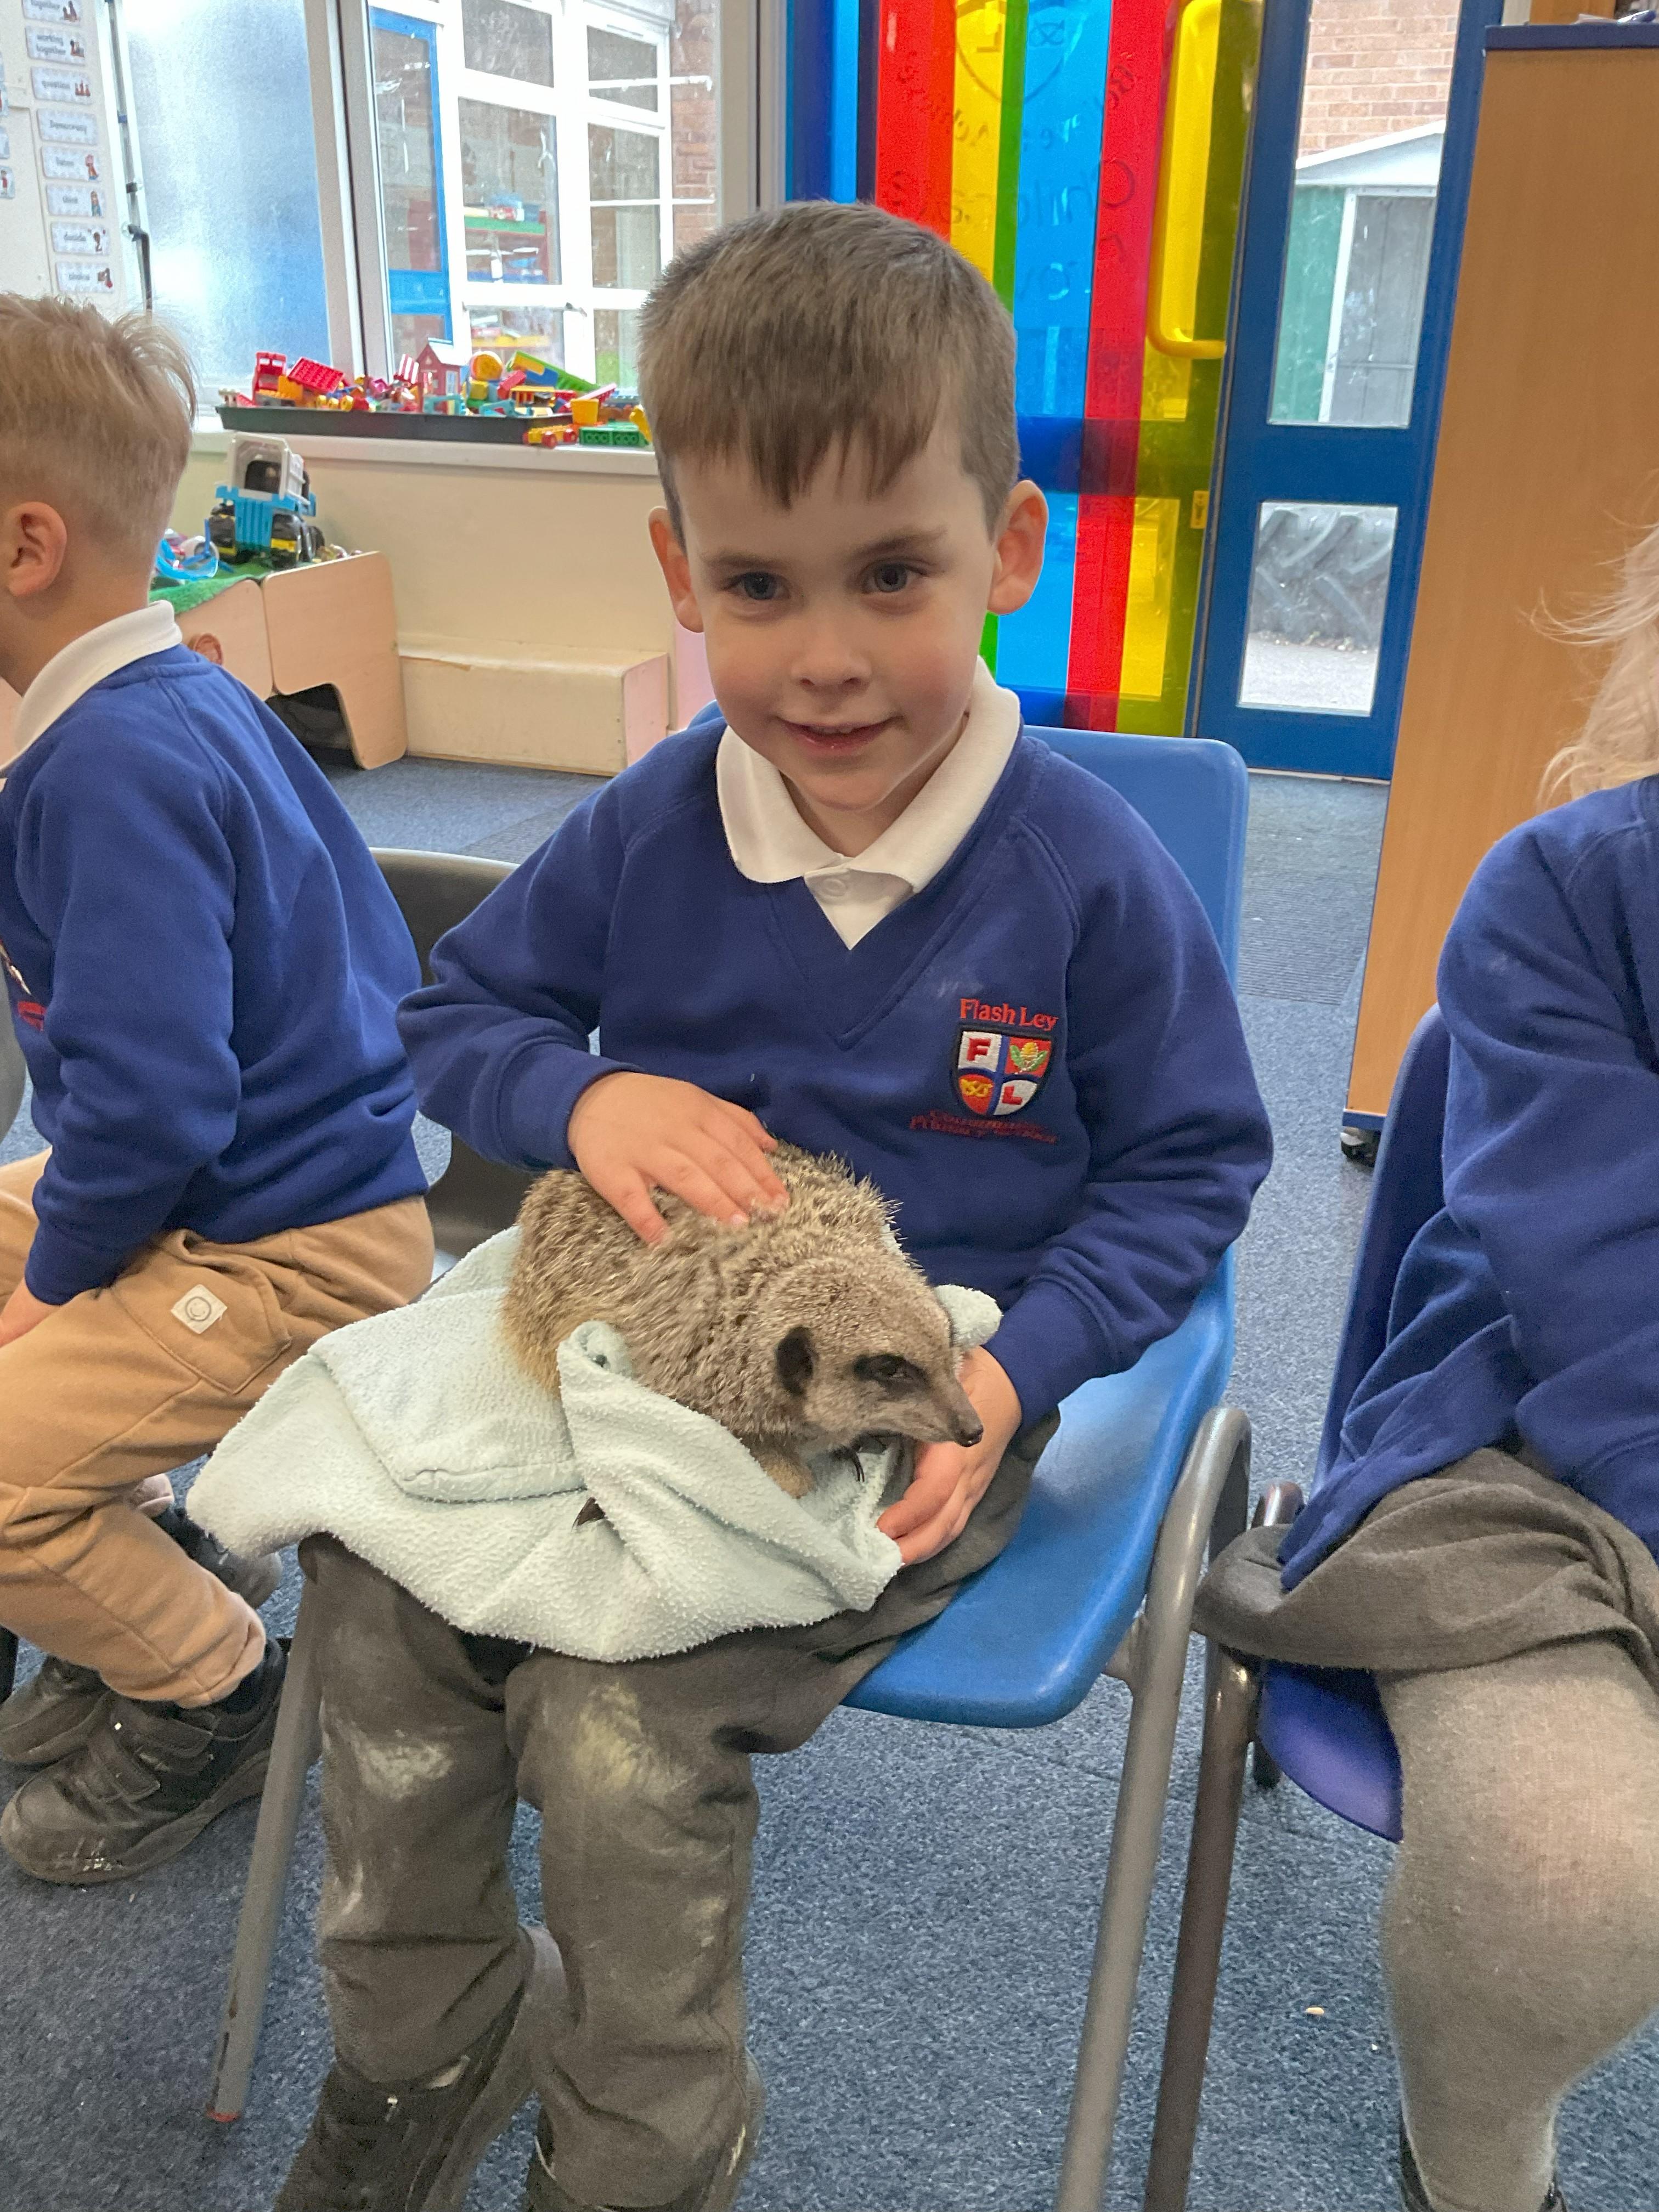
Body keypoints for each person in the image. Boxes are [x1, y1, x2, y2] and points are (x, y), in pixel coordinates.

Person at [274, 200, 1272, 2212]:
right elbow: (452, 1021)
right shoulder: (655, 819)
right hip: (623, 1346)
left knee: (619, 1727)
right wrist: (588, 1091)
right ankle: (425, 2047)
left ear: (1007, 549)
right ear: (682, 576)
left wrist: (1023, 1373)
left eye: (892, 575)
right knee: (371, 1606)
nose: (824, 658)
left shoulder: (1084, 871)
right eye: (757, 585)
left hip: (918, 1385)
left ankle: (650, 2145)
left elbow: (1195, 1170)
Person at [1197, 517, 1659, 2212]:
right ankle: (1478, 2171)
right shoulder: (1578, 891)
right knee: (1558, 1881)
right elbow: (1604, 1297)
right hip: (1530, 1462)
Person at [0, 296, 433, 1883]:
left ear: (24, 545)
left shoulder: (113, 766)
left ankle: (213, 1692)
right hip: (220, 1188)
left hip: (286, 1248)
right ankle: (146, 1552)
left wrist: (58, 1284)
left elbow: (155, 1111)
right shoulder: (164, 700)